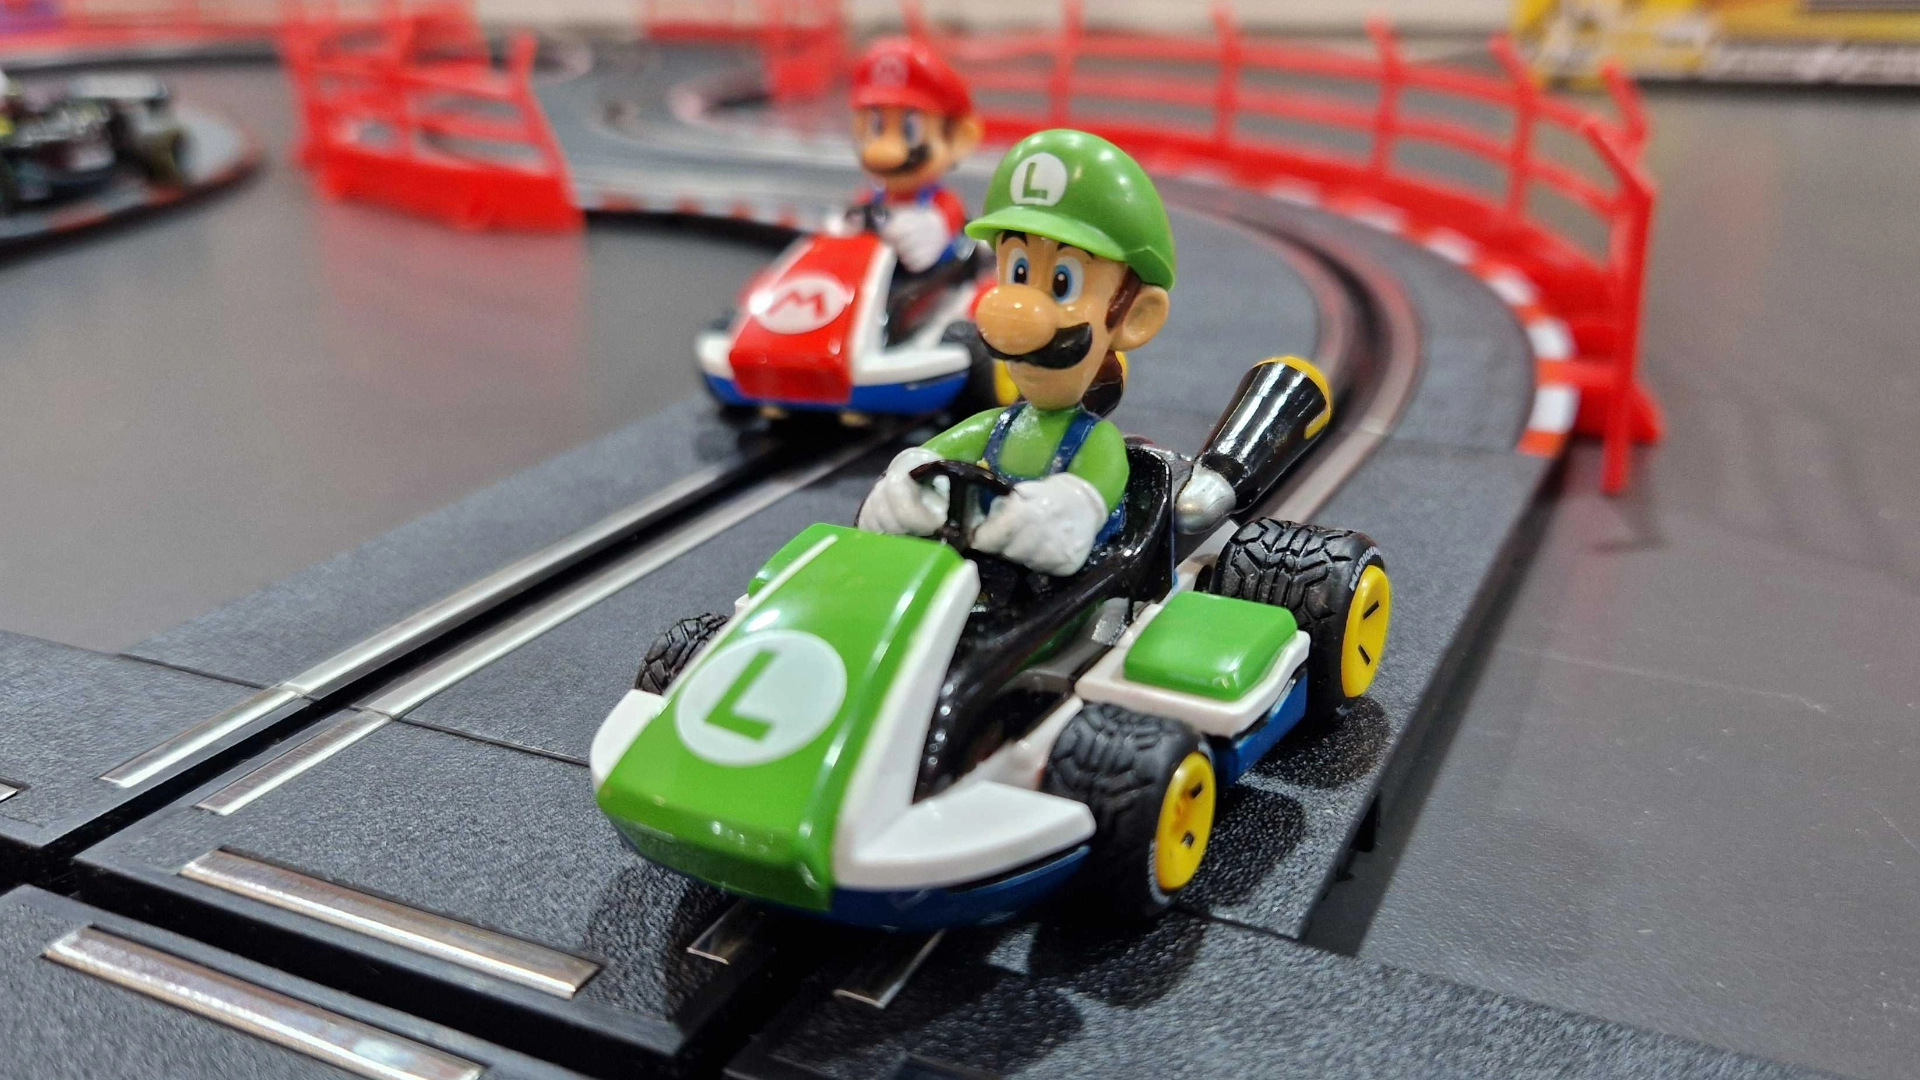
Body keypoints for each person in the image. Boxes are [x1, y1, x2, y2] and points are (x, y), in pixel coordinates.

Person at [858, 129, 1178, 577]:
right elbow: (930, 455)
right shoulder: (999, 426)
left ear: (1135, 315)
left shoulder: (1094, 443)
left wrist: (1068, 506)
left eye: (1063, 283)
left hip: (1060, 586)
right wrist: (904, 479)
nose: (1018, 311)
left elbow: (1091, 492)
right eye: (1019, 273)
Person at [848, 37, 982, 275]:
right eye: (878, 127)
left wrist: (933, 228)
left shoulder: (943, 203)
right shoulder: (872, 197)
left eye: (909, 130)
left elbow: (950, 222)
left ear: (957, 138)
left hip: (929, 281)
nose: (885, 151)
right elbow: (854, 219)